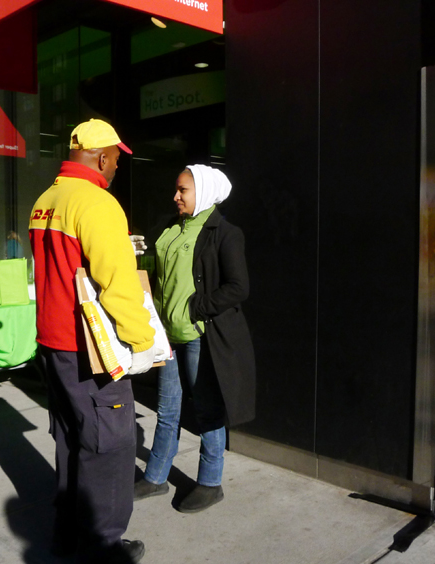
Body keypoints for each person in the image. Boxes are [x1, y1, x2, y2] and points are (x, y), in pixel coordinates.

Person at [29, 119, 158, 563]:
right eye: (117, 159)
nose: (118, 167)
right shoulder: (97, 202)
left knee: (70, 440)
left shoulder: (45, 200)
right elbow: (117, 284)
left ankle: (67, 536)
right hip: (89, 350)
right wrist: (142, 340)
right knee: (109, 445)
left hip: (53, 344)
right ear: (102, 157)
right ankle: (103, 548)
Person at [134, 165, 256, 513]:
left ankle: (211, 482)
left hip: (198, 336)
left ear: (202, 191)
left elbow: (238, 287)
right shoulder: (171, 228)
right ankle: (156, 477)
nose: (176, 196)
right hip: (168, 336)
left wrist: (196, 307)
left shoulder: (224, 233)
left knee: (206, 411)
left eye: (183, 190)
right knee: (167, 410)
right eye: (176, 189)